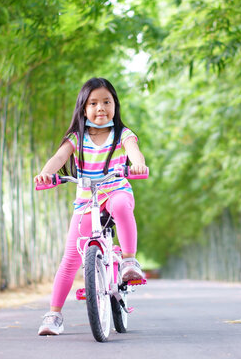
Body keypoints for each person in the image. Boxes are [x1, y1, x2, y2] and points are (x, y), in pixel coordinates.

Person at [34, 77, 148, 336]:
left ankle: (129, 261)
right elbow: (60, 157)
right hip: (87, 201)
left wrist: (137, 164)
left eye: (107, 102)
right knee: (70, 258)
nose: (101, 108)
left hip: (116, 190)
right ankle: (54, 314)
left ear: (115, 105)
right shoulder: (77, 137)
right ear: (83, 109)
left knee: (120, 205)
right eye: (93, 103)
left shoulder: (122, 134)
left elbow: (133, 151)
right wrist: (45, 173)